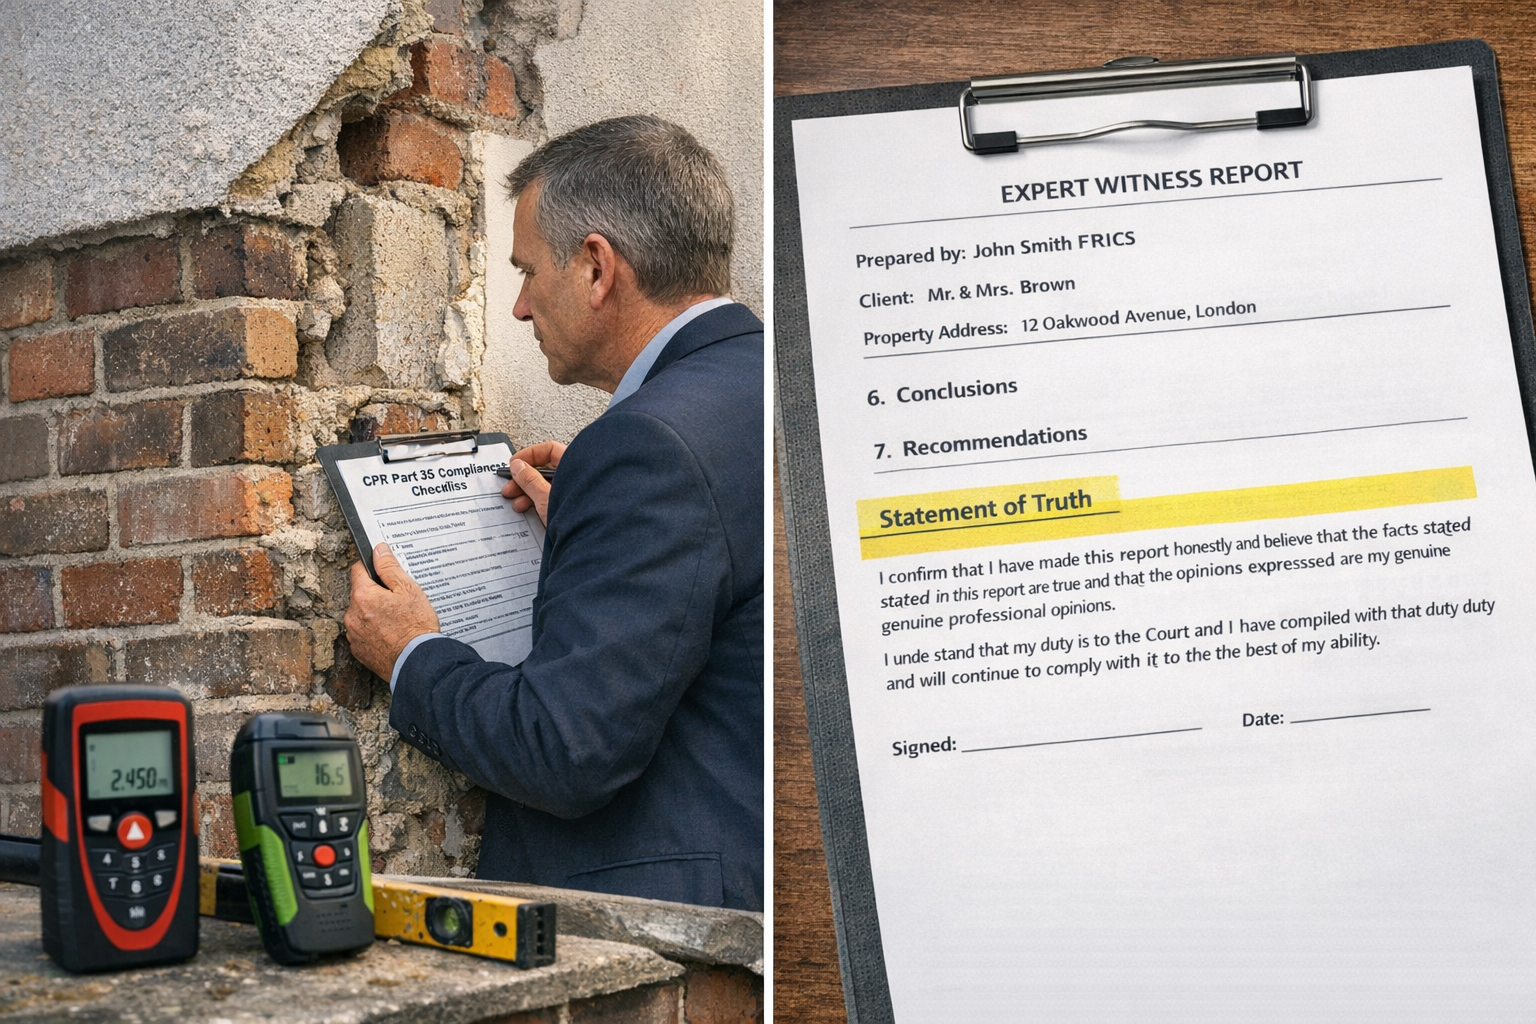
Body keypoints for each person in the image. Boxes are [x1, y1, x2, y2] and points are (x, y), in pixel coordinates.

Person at [342, 115, 762, 911]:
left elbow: (564, 751)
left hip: (667, 929)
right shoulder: (770, 388)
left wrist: (410, 657)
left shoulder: (644, 445)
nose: (520, 308)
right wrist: (593, 523)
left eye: (529, 272)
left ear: (598, 267)